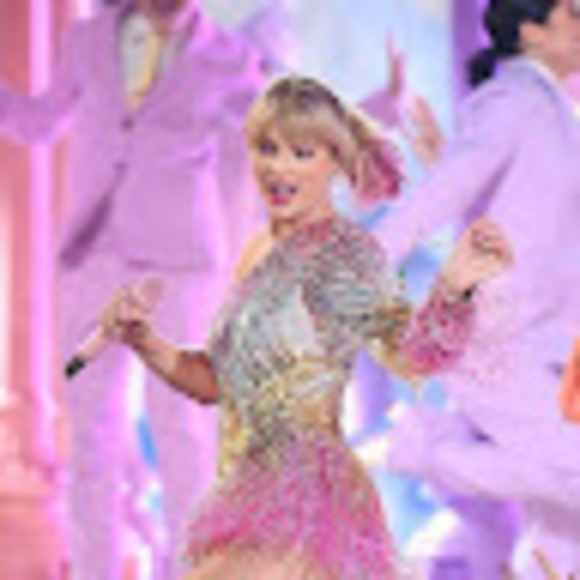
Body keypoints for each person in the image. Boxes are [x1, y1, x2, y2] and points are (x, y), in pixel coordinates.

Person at [99, 75, 513, 579]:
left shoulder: (343, 257)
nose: (279, 167)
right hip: (245, 494)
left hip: (306, 502)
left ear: (334, 162)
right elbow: (215, 380)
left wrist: (453, 289)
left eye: (301, 153)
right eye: (268, 149)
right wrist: (145, 340)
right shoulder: (256, 250)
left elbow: (412, 354)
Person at [0, 0, 264, 577]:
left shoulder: (230, 58)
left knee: (182, 436)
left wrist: (377, 112)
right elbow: (39, 122)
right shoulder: (87, 38)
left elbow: (284, 132)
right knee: (89, 441)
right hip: (93, 259)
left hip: (177, 266)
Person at [378, 0, 580, 577]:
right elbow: (442, 194)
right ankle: (418, 445)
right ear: (531, 31)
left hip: (554, 337)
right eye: (573, 13)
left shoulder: (554, 108)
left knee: (563, 528)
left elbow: (530, 211)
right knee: (573, 472)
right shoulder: (514, 100)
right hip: (501, 337)